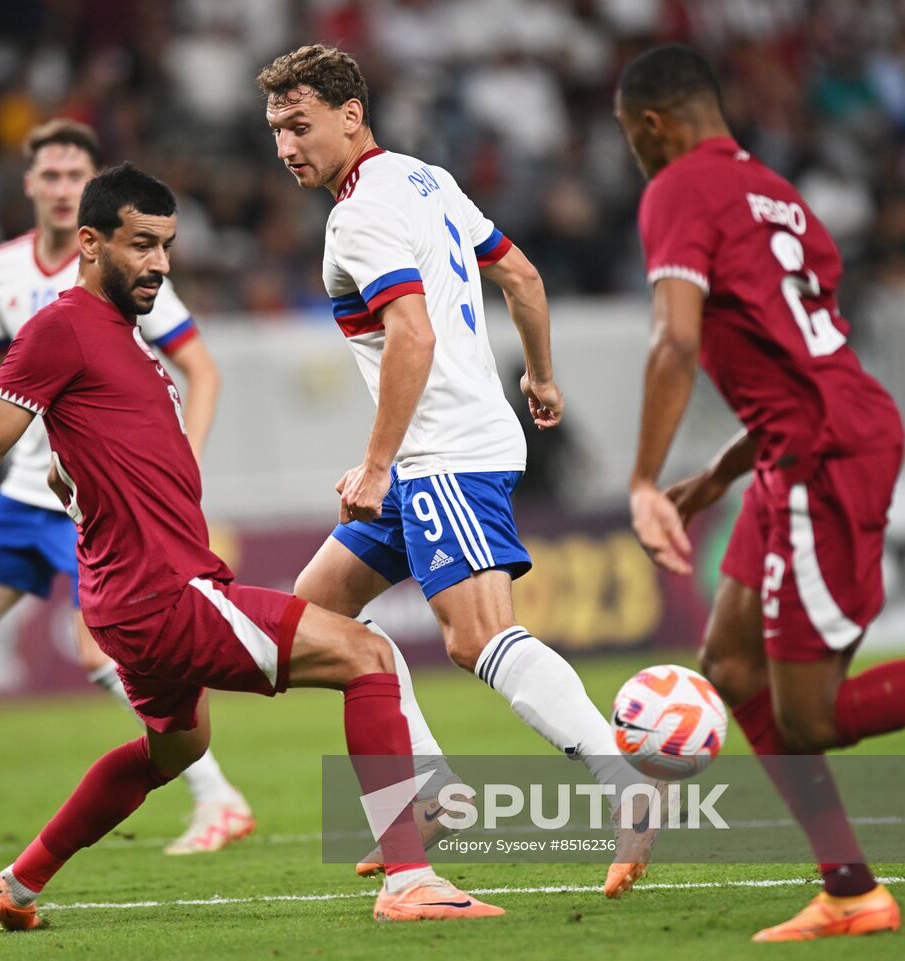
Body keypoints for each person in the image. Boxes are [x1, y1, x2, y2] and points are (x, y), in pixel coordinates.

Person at [0, 163, 504, 927]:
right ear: (89, 242)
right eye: (141, 245)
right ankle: (409, 877)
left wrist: (77, 481)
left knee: (174, 749)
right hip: (164, 595)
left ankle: (16, 883)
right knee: (367, 655)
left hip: (136, 597)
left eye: (168, 246)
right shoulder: (58, 328)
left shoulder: (124, 339)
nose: (160, 264)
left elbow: (73, 458)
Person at [257, 43, 657, 895]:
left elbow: (414, 334)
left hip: (443, 456)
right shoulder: (425, 178)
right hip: (434, 453)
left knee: (476, 636)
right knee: (314, 618)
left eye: (300, 126)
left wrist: (373, 465)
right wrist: (540, 376)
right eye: (275, 131)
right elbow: (520, 272)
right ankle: (431, 790)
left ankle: (625, 787)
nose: (287, 147)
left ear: (351, 114)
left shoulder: (357, 216)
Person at [615, 44, 905, 942]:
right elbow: (799, 359)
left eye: (630, 138)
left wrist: (645, 479)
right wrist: (720, 474)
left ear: (653, 125)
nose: (634, 156)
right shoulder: (785, 199)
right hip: (796, 445)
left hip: (823, 454)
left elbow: (677, 344)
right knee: (731, 669)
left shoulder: (677, 188)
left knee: (812, 712)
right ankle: (850, 890)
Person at [0, 120, 248, 863]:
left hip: (91, 500)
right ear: (31, 184)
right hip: (20, 493)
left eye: (78, 175)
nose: (65, 187)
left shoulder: (127, 265)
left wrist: (180, 467)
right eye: (53, 175)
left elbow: (203, 370)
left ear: (92, 189)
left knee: (101, 649)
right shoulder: (2, 269)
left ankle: (216, 795)